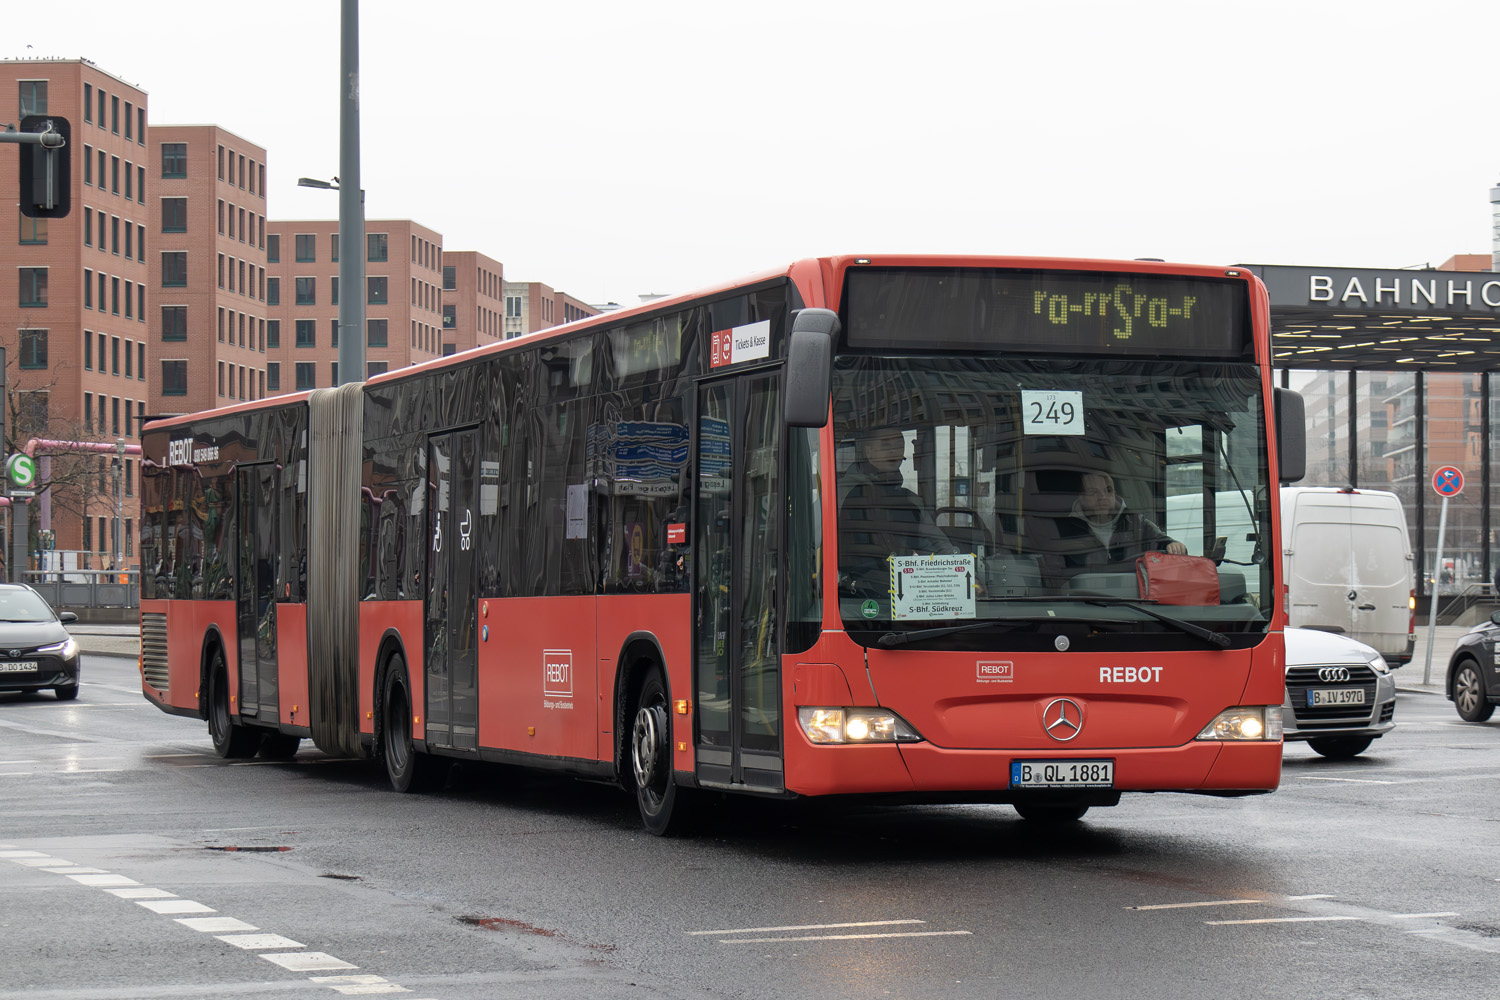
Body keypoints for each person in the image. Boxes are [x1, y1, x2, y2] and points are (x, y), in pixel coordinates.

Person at [836, 426, 956, 594]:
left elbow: (936, 544)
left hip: (901, 592)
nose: (894, 451)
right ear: (869, 452)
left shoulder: (910, 500)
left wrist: (957, 572)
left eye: (899, 445)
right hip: (851, 596)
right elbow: (814, 543)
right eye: (885, 445)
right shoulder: (839, 493)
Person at [1042, 471, 1186, 588]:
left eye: (1108, 491)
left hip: (1136, 604)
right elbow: (1054, 579)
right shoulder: (1063, 531)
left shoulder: (1135, 523)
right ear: (1081, 497)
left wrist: (1173, 545)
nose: (1102, 497)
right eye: (1093, 492)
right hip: (1084, 606)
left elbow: (1163, 542)